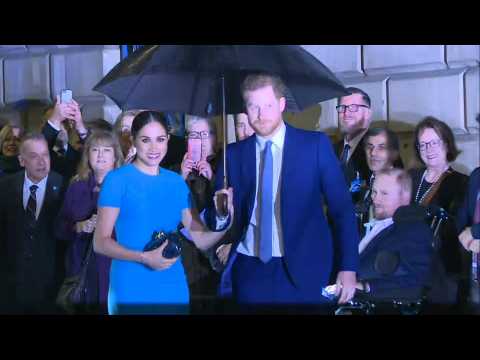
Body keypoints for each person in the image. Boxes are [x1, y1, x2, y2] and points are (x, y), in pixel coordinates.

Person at [205, 73, 359, 313]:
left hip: (304, 271)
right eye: (253, 106)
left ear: (281, 104)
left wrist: (348, 267)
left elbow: (342, 210)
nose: (260, 114)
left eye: (267, 105)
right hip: (250, 271)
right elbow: (218, 221)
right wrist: (222, 212)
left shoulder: (314, 146)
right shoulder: (233, 155)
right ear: (245, 109)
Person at [93, 111, 233, 315]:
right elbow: (101, 242)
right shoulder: (117, 180)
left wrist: (226, 219)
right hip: (131, 287)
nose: (153, 148)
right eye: (145, 140)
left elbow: (201, 238)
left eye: (160, 139)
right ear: (133, 140)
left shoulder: (176, 182)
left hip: (172, 287)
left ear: (168, 139)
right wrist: (143, 257)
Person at [56, 130, 124, 314]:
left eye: (106, 150)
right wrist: (77, 227)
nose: (100, 155)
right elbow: (59, 229)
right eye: (95, 150)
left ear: (115, 155)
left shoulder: (128, 187)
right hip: (82, 272)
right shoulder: (76, 186)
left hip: (116, 271)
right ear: (88, 156)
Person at [0, 133, 64, 314]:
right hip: (10, 287)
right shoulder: (4, 187)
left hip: (50, 286)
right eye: (34, 156)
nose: (42, 162)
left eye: (45, 155)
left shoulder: (63, 185)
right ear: (22, 160)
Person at [410, 116, 469, 307]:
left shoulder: (461, 183)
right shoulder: (410, 178)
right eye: (423, 145)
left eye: (434, 142)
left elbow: (459, 228)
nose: (429, 149)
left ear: (446, 143)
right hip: (409, 266)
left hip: (443, 270)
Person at [355, 169, 433, 307]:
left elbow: (417, 280)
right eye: (374, 192)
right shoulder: (373, 223)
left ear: (404, 197)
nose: (376, 199)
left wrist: (367, 286)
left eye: (384, 193)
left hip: (369, 301)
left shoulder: (413, 229)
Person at [178, 115, 222, 313]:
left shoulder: (224, 167)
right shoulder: (173, 171)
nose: (200, 141)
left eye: (205, 135)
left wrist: (213, 179)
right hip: (185, 261)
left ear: (215, 138)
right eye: (194, 135)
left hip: (213, 261)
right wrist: (181, 178)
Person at [356, 127, 404, 237]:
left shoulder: (400, 189)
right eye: (370, 147)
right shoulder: (366, 188)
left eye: (381, 147)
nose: (373, 153)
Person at [335, 87, 372, 200]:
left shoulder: (379, 149)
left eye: (353, 107)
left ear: (368, 113)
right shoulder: (331, 149)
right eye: (342, 107)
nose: (346, 113)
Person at [42, 96, 89, 182]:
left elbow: (94, 151)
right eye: (53, 122)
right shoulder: (36, 152)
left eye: (62, 121)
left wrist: (81, 128)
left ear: (70, 124)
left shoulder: (78, 156)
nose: (58, 126)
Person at [457, 165, 480, 313]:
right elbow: (463, 211)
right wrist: (463, 235)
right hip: (474, 261)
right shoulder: (476, 175)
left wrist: (475, 232)